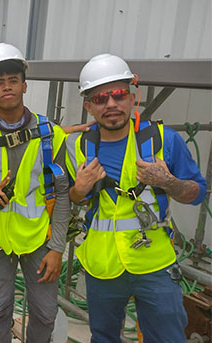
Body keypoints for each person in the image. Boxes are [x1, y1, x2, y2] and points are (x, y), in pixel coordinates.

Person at [65, 53, 207, 343]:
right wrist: (79, 190)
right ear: (89, 106)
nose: (112, 104)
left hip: (154, 264)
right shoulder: (80, 146)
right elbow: (74, 200)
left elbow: (197, 193)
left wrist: (169, 183)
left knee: (167, 337)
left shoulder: (164, 141)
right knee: (103, 337)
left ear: (133, 98)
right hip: (102, 265)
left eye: (118, 95)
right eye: (101, 99)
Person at [0, 43, 71, 343]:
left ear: (24, 85)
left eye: (13, 80)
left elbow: (62, 194)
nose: (7, 87)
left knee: (45, 312)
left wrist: (57, 247)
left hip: (40, 239)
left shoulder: (50, 134)